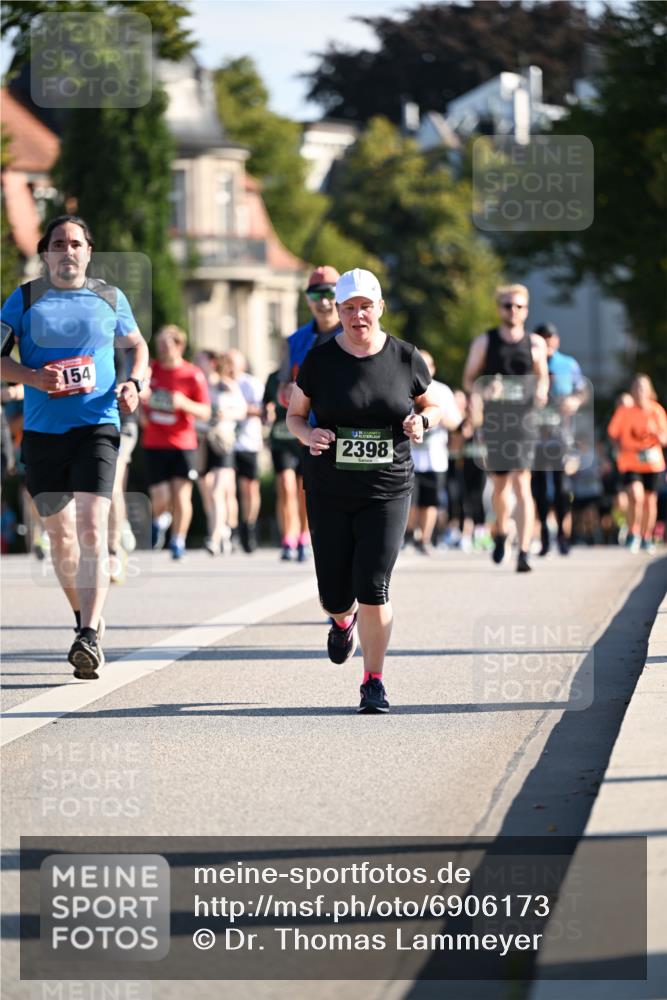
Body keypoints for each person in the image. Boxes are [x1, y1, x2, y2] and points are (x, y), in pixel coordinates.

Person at [286, 268, 442, 713]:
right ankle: (342, 620)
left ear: (380, 308)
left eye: (365, 307)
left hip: (387, 488)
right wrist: (307, 436)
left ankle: (373, 680)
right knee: (335, 593)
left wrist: (422, 421)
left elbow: (435, 402)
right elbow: (296, 415)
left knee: (374, 586)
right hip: (329, 489)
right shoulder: (319, 359)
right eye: (349, 308)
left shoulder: (405, 357)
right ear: (337, 311)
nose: (358, 317)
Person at [0, 214, 148, 677]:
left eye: (76, 243)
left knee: (91, 528)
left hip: (98, 427)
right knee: (60, 538)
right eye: (59, 243)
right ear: (46, 253)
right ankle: (89, 619)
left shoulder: (110, 296)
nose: (68, 250)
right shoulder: (24, 300)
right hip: (44, 433)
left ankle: (86, 637)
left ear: (88, 251)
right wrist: (32, 377)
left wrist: (134, 384)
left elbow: (137, 346)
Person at [462, 283, 549, 572]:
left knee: (522, 482)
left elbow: (543, 378)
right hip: (496, 422)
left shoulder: (535, 343)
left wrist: (541, 392)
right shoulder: (485, 341)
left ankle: (523, 551)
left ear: (526, 310)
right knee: (499, 487)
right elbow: (469, 379)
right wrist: (484, 390)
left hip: (523, 422)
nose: (513, 310)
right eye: (508, 305)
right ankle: (501, 531)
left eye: (519, 306)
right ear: (500, 309)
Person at [277, 265, 342, 561]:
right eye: (317, 293)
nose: (324, 300)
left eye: (330, 292)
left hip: (346, 432)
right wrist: (286, 393)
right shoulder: (295, 341)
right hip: (307, 431)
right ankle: (300, 539)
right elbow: (281, 386)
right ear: (308, 299)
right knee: (306, 491)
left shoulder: (353, 329)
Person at [141, 325, 211, 559]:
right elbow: (140, 399)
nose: (161, 349)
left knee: (182, 496)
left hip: (183, 443)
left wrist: (183, 403)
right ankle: (160, 519)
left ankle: (177, 540)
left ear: (179, 346)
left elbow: (205, 411)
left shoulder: (192, 374)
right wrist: (142, 408)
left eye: (166, 345)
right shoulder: (151, 371)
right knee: (160, 496)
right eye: (159, 345)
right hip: (154, 442)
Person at [531, 322, 588, 556]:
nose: (547, 342)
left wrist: (575, 400)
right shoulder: (529, 361)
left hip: (561, 435)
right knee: (540, 488)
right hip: (535, 434)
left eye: (550, 338)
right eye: (542, 338)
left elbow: (582, 389)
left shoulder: (568, 364)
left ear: (557, 340)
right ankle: (544, 533)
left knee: (563, 487)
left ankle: (563, 535)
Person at [407, 350, 463, 554]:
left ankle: (425, 538)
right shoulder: (403, 385)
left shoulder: (442, 390)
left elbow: (456, 422)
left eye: (427, 364)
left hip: (434, 455)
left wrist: (435, 418)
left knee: (430, 500)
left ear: (433, 368)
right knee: (410, 499)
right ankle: (409, 535)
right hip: (409, 455)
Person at [608, 374, 667, 553]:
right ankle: (633, 533)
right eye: (637, 388)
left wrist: (658, 436)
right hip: (631, 461)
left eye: (643, 388)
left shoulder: (656, 411)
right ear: (632, 391)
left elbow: (665, 438)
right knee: (636, 495)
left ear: (649, 391)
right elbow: (612, 433)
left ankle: (647, 536)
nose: (640, 391)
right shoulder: (625, 412)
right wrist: (618, 447)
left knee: (650, 501)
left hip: (652, 463)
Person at [196, 350, 246, 555]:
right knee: (207, 492)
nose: (196, 363)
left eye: (200, 360)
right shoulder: (198, 383)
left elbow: (242, 410)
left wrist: (226, 414)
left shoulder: (226, 385)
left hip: (222, 440)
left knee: (218, 490)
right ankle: (221, 529)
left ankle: (214, 538)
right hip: (201, 440)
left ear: (212, 363)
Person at [228, 349, 265, 553]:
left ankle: (249, 526)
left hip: (248, 442)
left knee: (249, 488)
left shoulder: (250, 383)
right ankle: (231, 531)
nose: (230, 366)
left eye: (234, 362)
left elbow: (260, 410)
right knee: (228, 489)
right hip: (226, 443)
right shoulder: (220, 383)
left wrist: (237, 410)